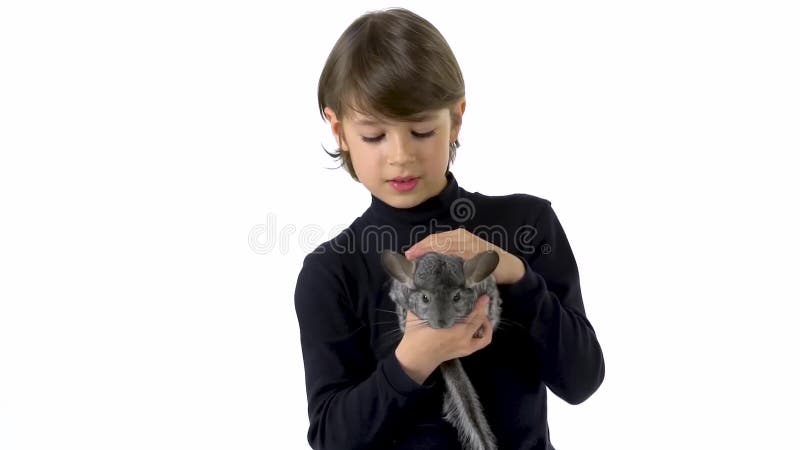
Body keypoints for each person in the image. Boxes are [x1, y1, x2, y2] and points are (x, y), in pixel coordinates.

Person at [293, 7, 605, 449]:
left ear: (455, 118)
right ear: (339, 129)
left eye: (421, 131)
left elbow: (582, 380)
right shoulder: (332, 271)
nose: (400, 155)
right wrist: (412, 362)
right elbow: (331, 438)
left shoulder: (526, 225)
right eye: (374, 136)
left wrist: (517, 278)